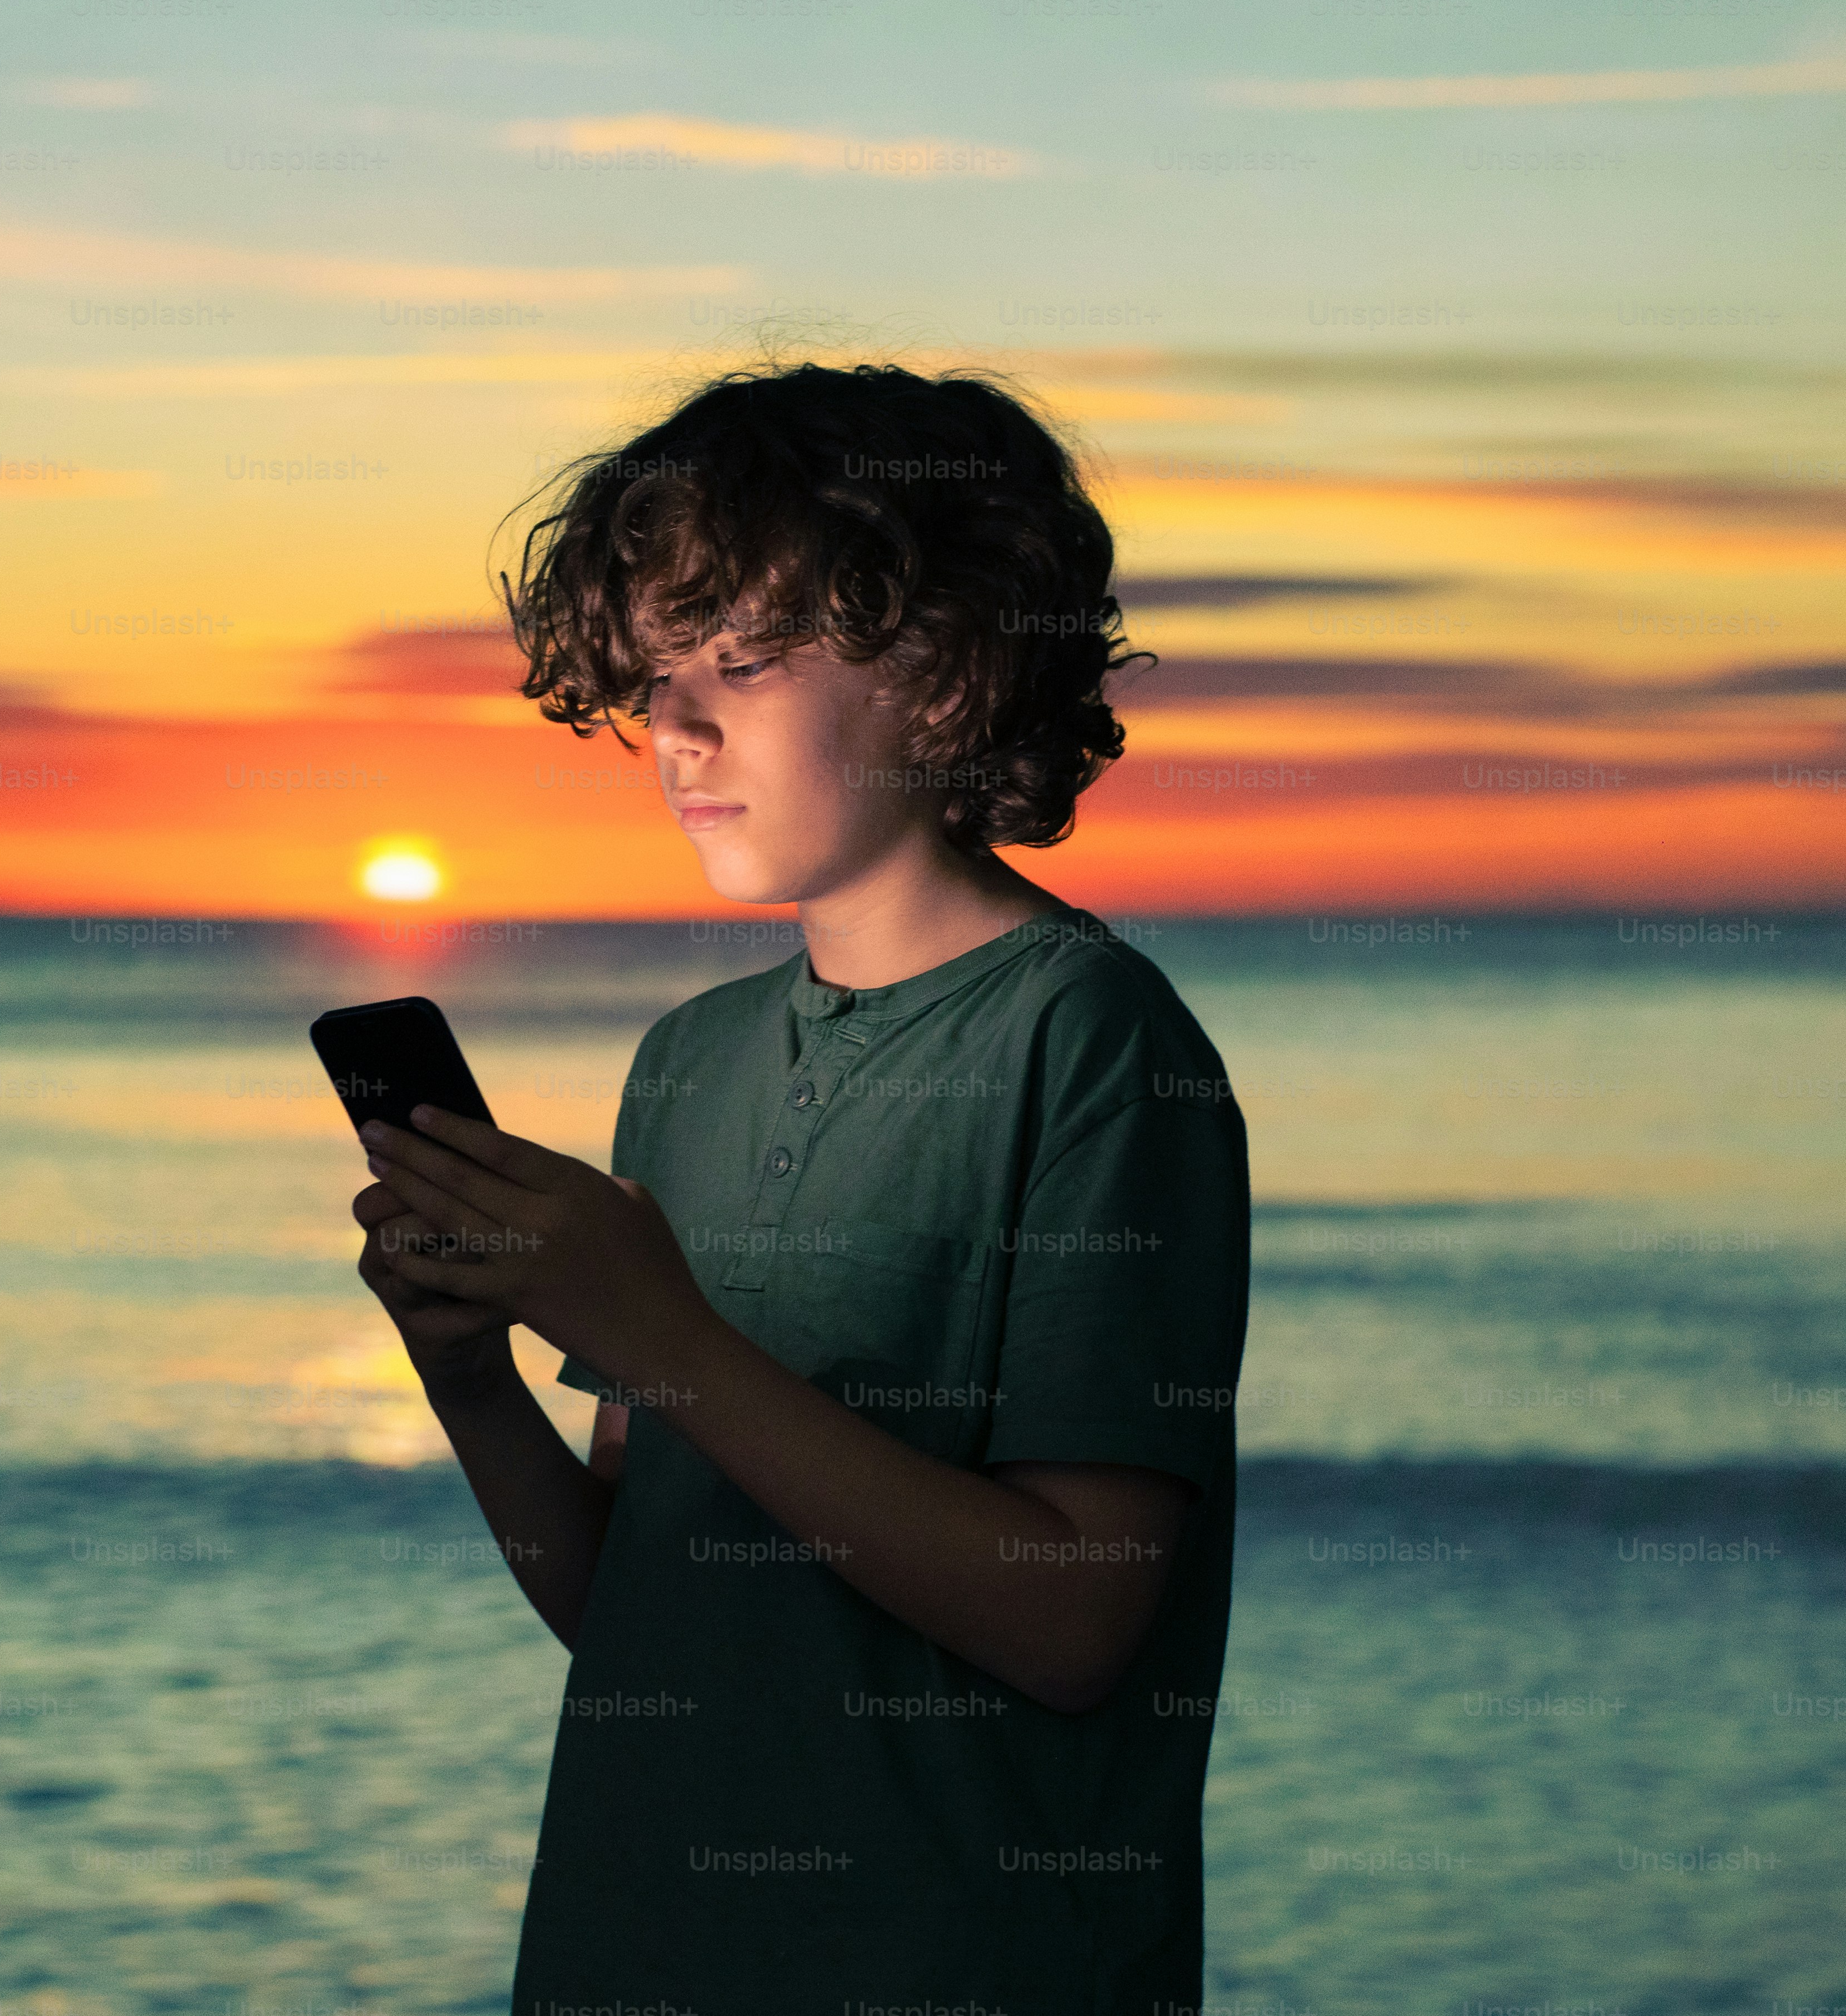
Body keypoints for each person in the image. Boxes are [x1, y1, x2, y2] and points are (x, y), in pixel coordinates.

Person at [349, 359, 1251, 2012]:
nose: (675, 732)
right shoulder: (687, 1063)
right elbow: (637, 1621)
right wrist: (469, 1367)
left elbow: (1075, 1620)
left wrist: (665, 1332)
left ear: (951, 673)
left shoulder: (1095, 1040)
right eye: (654, 679)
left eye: (741, 667)